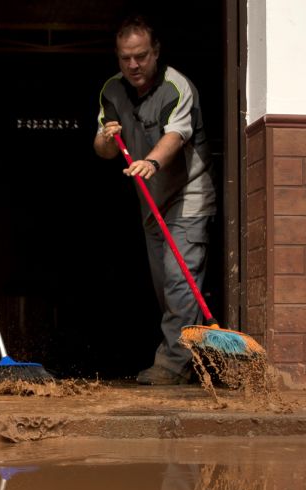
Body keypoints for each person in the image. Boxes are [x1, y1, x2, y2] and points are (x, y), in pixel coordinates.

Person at [93, 16, 217, 386]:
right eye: (125, 58)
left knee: (180, 281)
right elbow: (103, 150)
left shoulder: (177, 87)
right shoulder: (111, 92)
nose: (133, 65)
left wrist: (151, 160)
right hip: (152, 200)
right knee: (167, 285)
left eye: (141, 57)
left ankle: (173, 365)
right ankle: (189, 356)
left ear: (155, 52)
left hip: (188, 193)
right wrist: (106, 137)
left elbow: (176, 136)